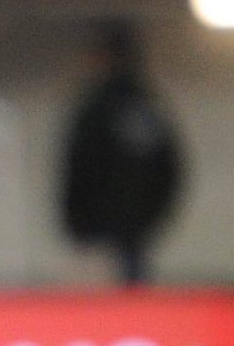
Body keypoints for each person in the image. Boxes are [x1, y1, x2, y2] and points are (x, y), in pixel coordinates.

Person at [58, 20, 184, 285]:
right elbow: (169, 171)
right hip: (128, 234)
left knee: (101, 303)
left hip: (102, 234)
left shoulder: (100, 108)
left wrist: (79, 223)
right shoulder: (143, 106)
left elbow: (79, 169)